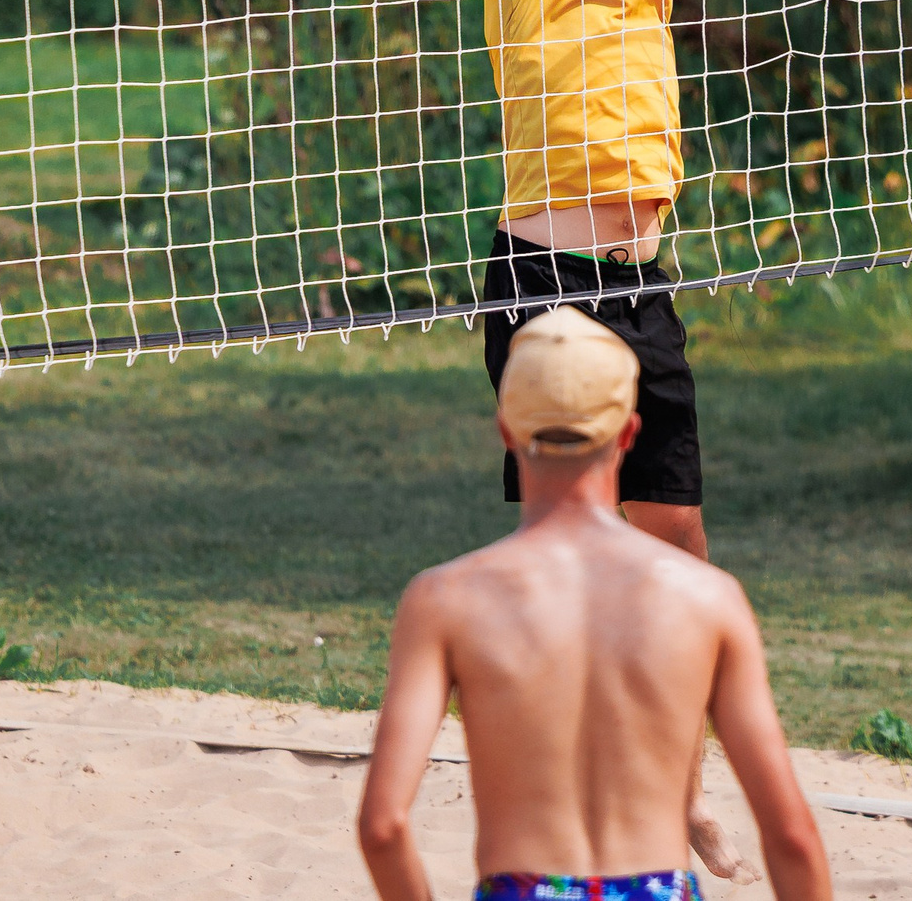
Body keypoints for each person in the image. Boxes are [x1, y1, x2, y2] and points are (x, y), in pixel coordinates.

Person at [480, 0, 784, 872]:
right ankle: (566, 805)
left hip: (641, 292)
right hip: (545, 294)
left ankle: (676, 790)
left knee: (678, 561)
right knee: (564, 567)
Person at [357, 309, 833, 901]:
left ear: (506, 430)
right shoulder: (707, 597)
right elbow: (790, 835)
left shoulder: (446, 598)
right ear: (631, 433)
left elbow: (382, 827)